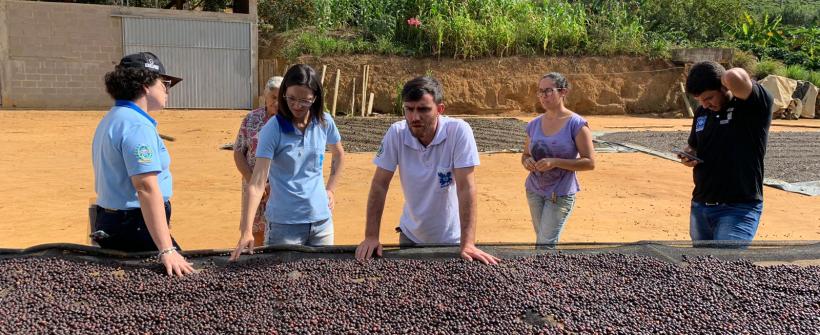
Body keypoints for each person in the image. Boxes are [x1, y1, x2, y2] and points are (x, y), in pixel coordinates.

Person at [355, 76, 499, 265]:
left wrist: (468, 243)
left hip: (452, 240)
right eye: (409, 109)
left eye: (423, 109)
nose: (414, 117)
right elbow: (379, 185)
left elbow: (466, 188)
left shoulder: (458, 132)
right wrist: (371, 236)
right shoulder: (396, 133)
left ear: (440, 109)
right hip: (410, 237)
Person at [91, 52, 193, 277]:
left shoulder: (114, 118)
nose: (167, 90)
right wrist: (166, 249)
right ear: (145, 85)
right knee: (177, 280)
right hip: (135, 225)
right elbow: (146, 188)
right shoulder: (137, 126)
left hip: (112, 220)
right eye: (164, 83)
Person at [230, 64, 345, 260]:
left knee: (322, 282)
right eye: (291, 98)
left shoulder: (324, 122)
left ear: (315, 98)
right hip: (284, 226)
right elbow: (257, 184)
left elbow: (339, 155)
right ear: (284, 95)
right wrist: (246, 231)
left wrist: (330, 189)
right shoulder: (272, 129)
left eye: (305, 101)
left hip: (321, 224)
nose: (298, 106)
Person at [680, 61, 773, 246]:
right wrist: (688, 154)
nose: (705, 105)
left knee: (725, 267)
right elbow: (693, 146)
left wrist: (720, 75)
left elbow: (733, 76)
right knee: (701, 270)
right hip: (701, 206)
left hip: (738, 208)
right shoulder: (702, 113)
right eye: (700, 100)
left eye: (709, 98)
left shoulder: (752, 106)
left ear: (724, 86)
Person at [521, 72, 595, 247]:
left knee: (545, 243)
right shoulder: (533, 124)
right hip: (534, 191)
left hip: (560, 193)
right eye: (540, 91)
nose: (543, 96)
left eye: (548, 91)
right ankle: (543, 272)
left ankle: (543, 274)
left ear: (563, 92)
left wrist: (555, 162)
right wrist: (527, 162)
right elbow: (525, 154)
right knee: (542, 240)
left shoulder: (576, 124)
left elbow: (590, 162)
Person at [233, 76, 283, 246]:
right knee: (254, 231)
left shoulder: (290, 122)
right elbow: (239, 152)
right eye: (273, 98)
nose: (277, 102)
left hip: (279, 189)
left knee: (279, 230)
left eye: (281, 97)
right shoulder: (251, 119)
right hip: (253, 186)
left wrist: (270, 186)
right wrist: (252, 180)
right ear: (265, 97)